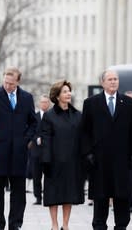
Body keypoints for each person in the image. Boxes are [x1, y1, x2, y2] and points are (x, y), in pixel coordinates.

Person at [80, 70, 132, 230]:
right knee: (101, 198)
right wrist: (88, 154)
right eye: (110, 79)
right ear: (103, 83)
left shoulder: (128, 103)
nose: (113, 82)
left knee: (122, 197)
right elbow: (85, 132)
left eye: (116, 79)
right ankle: (99, 226)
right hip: (99, 161)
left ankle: (121, 226)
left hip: (122, 160)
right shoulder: (91, 103)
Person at [0, 67, 38, 230]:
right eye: (5, 82)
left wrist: (26, 139)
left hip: (19, 152)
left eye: (11, 83)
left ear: (18, 81)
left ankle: (15, 223)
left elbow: (33, 122)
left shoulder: (27, 98)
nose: (7, 86)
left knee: (19, 191)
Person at [39, 81, 84, 230]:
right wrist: (46, 161)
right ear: (57, 96)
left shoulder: (78, 115)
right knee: (53, 195)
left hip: (72, 161)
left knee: (68, 194)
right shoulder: (49, 116)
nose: (68, 94)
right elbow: (46, 139)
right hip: (54, 161)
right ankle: (54, 224)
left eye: (69, 91)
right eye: (65, 91)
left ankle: (65, 224)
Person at [30, 94, 50, 205]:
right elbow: (30, 131)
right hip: (36, 151)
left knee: (48, 176)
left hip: (48, 151)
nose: (44, 104)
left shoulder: (53, 116)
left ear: (49, 104)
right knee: (36, 176)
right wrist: (36, 138)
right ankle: (38, 197)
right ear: (39, 103)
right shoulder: (34, 117)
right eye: (42, 102)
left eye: (46, 102)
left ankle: (48, 196)